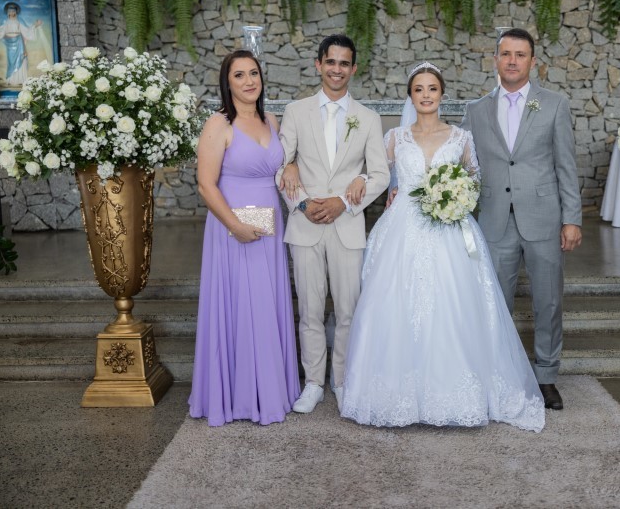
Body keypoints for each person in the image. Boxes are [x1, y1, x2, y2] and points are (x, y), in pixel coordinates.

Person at [340, 62, 546, 431]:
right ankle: (396, 394)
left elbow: (475, 180)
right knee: (396, 304)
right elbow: (378, 173)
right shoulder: (395, 138)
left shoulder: (460, 138)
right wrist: (364, 180)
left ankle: (454, 394)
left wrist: (457, 196)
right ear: (410, 95)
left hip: (450, 229)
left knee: (453, 304)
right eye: (418, 89)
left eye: (432, 89)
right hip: (403, 229)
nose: (426, 95)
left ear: (442, 94)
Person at [461, 28, 581, 410]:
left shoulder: (555, 104)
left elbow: (566, 165)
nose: (512, 61)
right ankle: (499, 375)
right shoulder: (476, 110)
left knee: (548, 302)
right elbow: (463, 166)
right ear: (495, 59)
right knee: (495, 303)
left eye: (520, 54)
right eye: (506, 54)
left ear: (533, 61)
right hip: (494, 219)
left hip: (544, 218)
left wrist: (572, 218)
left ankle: (546, 376)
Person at [277, 34, 390, 414]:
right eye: (331, 62)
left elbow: (380, 174)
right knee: (309, 309)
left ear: (353, 69)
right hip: (305, 225)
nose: (337, 69)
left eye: (344, 63)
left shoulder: (368, 118)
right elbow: (279, 166)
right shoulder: (296, 111)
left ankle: (341, 380)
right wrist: (302, 202)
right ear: (318, 64)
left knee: (348, 310)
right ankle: (313, 382)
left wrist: (343, 202)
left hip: (347, 226)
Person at [188, 49, 300, 426]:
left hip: (269, 227)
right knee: (239, 307)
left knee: (267, 305)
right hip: (232, 228)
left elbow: (282, 164)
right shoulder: (218, 124)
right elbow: (205, 185)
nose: (249, 81)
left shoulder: (271, 120)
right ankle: (238, 398)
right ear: (228, 82)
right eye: (239, 75)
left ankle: (269, 392)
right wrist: (234, 225)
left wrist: (293, 164)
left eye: (254, 73)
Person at [0, 2, 42, 86]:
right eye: (10, 11)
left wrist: (35, 26)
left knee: (21, 59)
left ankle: (21, 79)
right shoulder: (5, 21)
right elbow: (0, 32)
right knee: (11, 62)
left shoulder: (19, 21)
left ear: (16, 12)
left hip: (18, 42)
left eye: (13, 11)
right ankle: (11, 80)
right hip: (10, 44)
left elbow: (26, 31)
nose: (12, 13)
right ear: (7, 12)